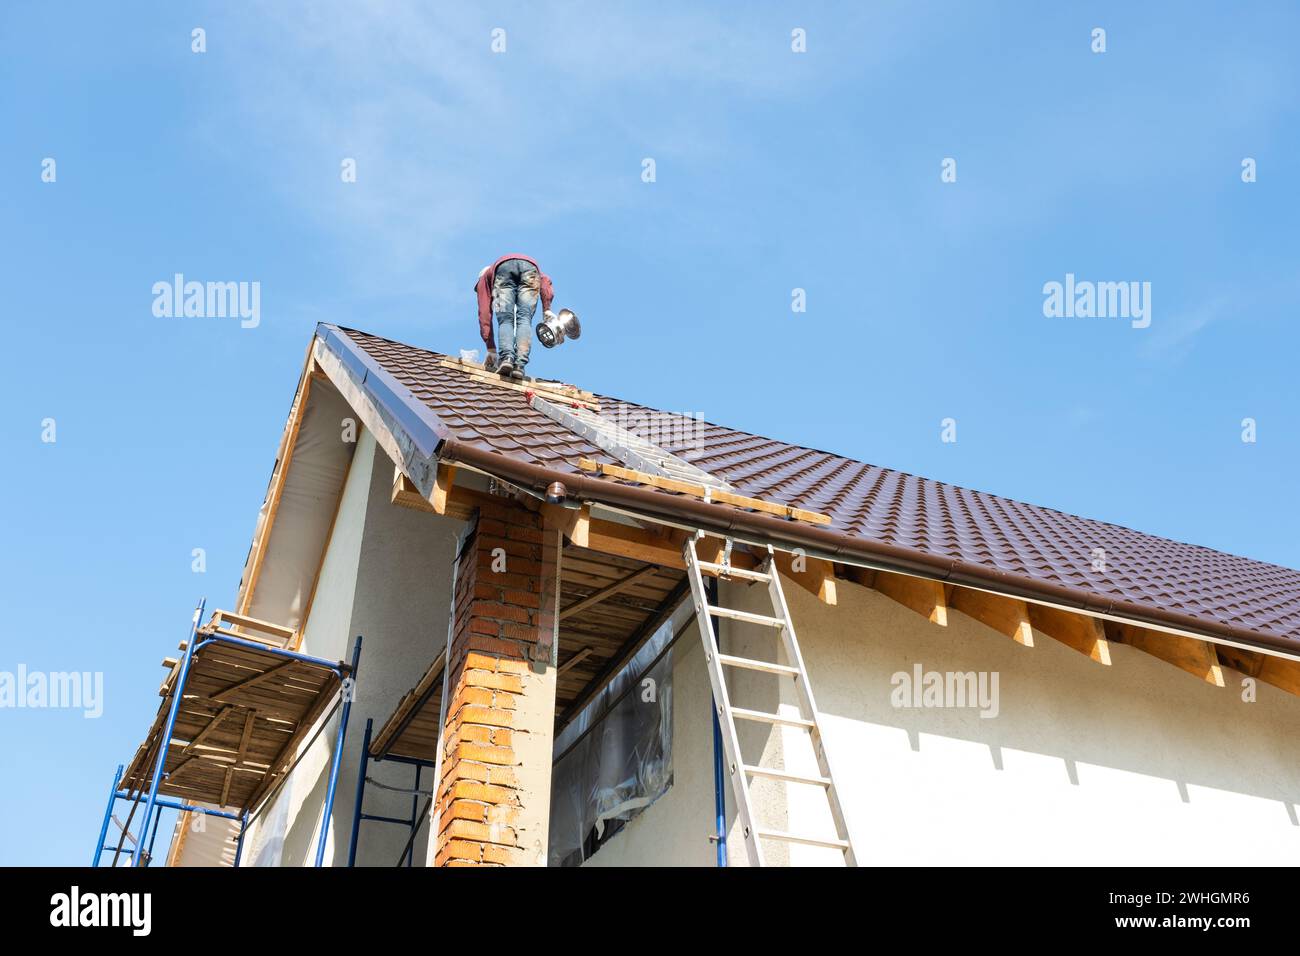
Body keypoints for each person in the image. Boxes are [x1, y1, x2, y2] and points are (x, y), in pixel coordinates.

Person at [475, 254, 556, 380]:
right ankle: (519, 366)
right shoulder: (497, 268)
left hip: (503, 270)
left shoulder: (485, 279)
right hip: (530, 267)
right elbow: (544, 280)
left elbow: (484, 313)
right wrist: (547, 309)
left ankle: (507, 358)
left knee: (505, 320)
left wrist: (490, 347)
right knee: (524, 319)